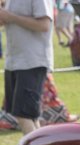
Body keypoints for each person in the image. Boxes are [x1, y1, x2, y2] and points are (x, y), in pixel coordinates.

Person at [0, 0, 53, 137]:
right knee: (26, 115)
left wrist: (11, 17)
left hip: (32, 60)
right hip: (13, 61)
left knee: (23, 115)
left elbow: (44, 25)